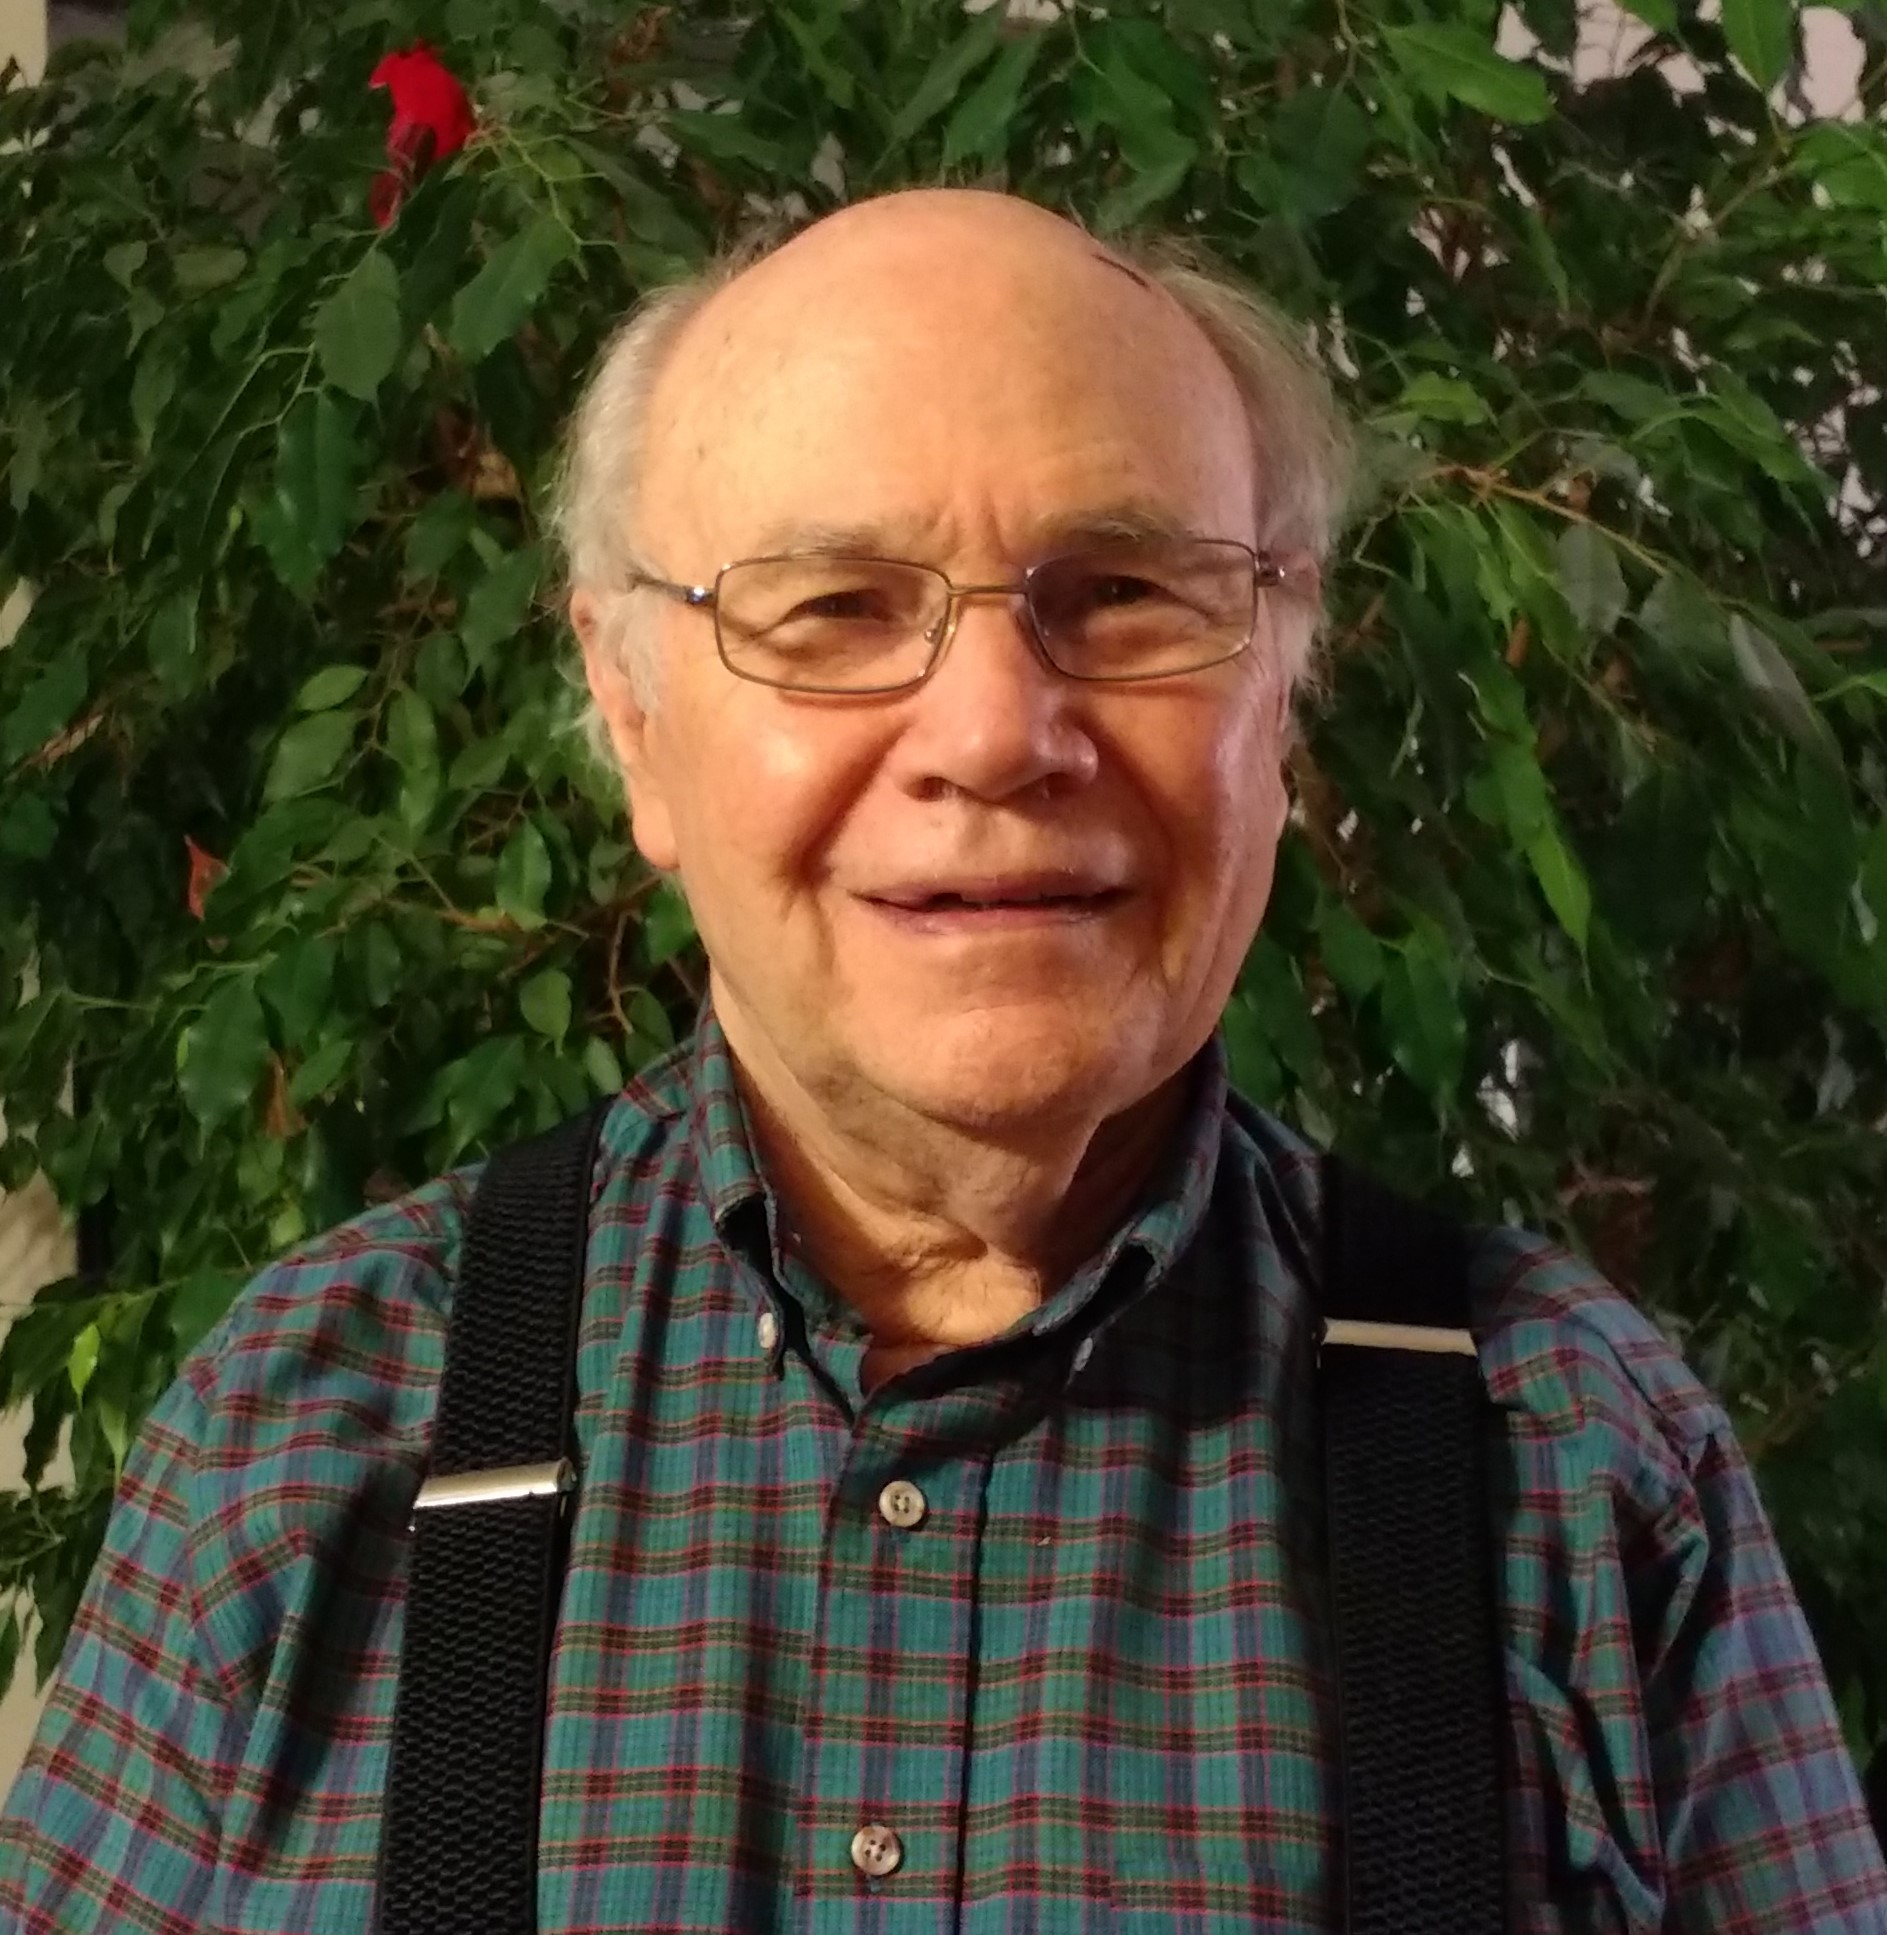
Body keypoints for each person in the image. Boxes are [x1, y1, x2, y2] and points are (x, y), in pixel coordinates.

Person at [3, 187, 1883, 1934]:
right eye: (834, 609)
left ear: (1282, 694)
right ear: (632, 716)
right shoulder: (308, 1432)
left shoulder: (1577, 1466)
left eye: (1124, 592)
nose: (993, 732)